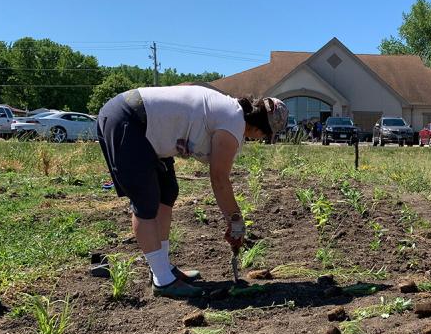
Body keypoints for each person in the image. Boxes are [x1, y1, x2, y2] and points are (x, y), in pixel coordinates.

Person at [97, 83, 288, 298]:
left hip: (144, 126)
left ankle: (163, 268)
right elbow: (219, 178)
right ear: (259, 128)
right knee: (146, 200)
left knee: (167, 191)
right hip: (128, 121)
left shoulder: (228, 110)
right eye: (264, 136)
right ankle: (162, 281)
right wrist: (235, 221)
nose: (260, 140)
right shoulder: (233, 121)